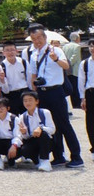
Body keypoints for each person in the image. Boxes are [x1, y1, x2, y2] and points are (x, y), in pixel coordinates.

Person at [24, 23, 83, 167]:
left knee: (64, 124)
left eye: (39, 37)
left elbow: (66, 66)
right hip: (42, 93)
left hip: (56, 91)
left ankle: (76, 157)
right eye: (34, 39)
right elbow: (33, 76)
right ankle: (58, 156)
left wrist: (56, 58)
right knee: (49, 125)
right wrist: (34, 93)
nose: (37, 41)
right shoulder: (34, 55)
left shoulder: (56, 50)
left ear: (45, 37)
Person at [16, 89, 55, 172]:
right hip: (33, 140)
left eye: (30, 100)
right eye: (25, 101)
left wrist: (40, 128)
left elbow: (52, 129)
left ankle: (45, 161)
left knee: (44, 134)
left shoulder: (45, 112)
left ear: (36, 101)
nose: (28, 103)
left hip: (47, 140)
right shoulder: (22, 117)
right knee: (24, 150)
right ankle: (37, 161)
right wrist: (24, 132)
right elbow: (26, 137)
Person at [79, 37, 94, 156]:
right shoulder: (84, 64)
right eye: (91, 46)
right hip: (90, 93)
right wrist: (82, 98)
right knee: (90, 121)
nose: (92, 49)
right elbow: (81, 81)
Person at [63, 31, 83, 108]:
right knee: (77, 87)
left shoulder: (65, 46)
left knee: (71, 87)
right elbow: (74, 57)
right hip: (75, 70)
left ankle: (74, 103)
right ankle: (77, 103)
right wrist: (69, 64)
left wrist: (66, 66)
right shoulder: (77, 46)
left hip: (67, 71)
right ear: (77, 38)